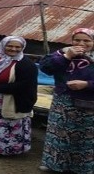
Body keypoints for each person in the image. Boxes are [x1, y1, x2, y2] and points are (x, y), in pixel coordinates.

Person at [39, 28, 94, 173]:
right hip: (62, 102)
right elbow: (46, 68)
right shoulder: (62, 53)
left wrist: (86, 84)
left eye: (86, 40)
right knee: (58, 134)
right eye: (77, 40)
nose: (81, 43)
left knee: (84, 137)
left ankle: (82, 167)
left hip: (89, 104)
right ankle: (53, 163)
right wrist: (66, 56)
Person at [0, 35, 37, 156]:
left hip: (11, 100)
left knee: (8, 126)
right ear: (3, 46)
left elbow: (25, 85)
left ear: (22, 48)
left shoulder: (26, 64)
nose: (13, 49)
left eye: (18, 47)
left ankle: (9, 150)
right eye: (10, 46)